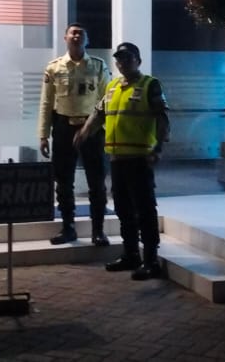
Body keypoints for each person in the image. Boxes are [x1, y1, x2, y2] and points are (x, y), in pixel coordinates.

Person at [75, 42, 170, 280]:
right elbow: (98, 113)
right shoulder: (112, 86)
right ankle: (131, 254)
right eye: (119, 59)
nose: (122, 62)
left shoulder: (149, 85)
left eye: (128, 58)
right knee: (123, 209)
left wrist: (158, 148)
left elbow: (162, 118)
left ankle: (151, 260)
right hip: (117, 160)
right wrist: (85, 131)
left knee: (144, 210)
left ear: (138, 60)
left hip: (139, 159)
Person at [38, 23, 112, 245]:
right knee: (63, 181)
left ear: (87, 40)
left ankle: (98, 230)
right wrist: (43, 134)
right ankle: (68, 227)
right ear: (65, 38)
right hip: (63, 127)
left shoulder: (98, 66)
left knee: (97, 181)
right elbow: (46, 102)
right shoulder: (54, 68)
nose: (77, 36)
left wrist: (103, 131)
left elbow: (106, 100)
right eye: (73, 33)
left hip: (93, 128)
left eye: (81, 33)